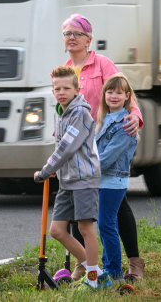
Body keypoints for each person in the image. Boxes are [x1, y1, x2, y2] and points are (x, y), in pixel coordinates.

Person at [61, 13, 145, 281]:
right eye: (67, 34)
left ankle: (134, 263)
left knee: (117, 207)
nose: (71, 38)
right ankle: (85, 262)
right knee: (78, 205)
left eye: (77, 33)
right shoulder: (65, 68)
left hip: (106, 139)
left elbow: (122, 90)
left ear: (88, 39)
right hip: (79, 145)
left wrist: (135, 115)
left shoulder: (102, 64)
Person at [33, 66, 110, 290]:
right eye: (57, 88)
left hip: (84, 179)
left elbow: (67, 147)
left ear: (77, 90)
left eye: (67, 87)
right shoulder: (62, 112)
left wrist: (46, 170)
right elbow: (61, 146)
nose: (61, 92)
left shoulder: (81, 114)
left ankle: (94, 280)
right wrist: (54, 168)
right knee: (57, 230)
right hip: (67, 180)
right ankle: (97, 273)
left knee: (85, 229)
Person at [95, 73, 138, 280]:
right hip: (101, 180)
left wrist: (82, 169)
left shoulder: (125, 124)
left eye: (119, 93)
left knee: (106, 223)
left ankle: (113, 271)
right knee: (105, 224)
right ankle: (108, 266)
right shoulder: (104, 120)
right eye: (109, 92)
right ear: (104, 95)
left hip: (113, 181)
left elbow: (107, 158)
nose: (113, 96)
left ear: (127, 96)